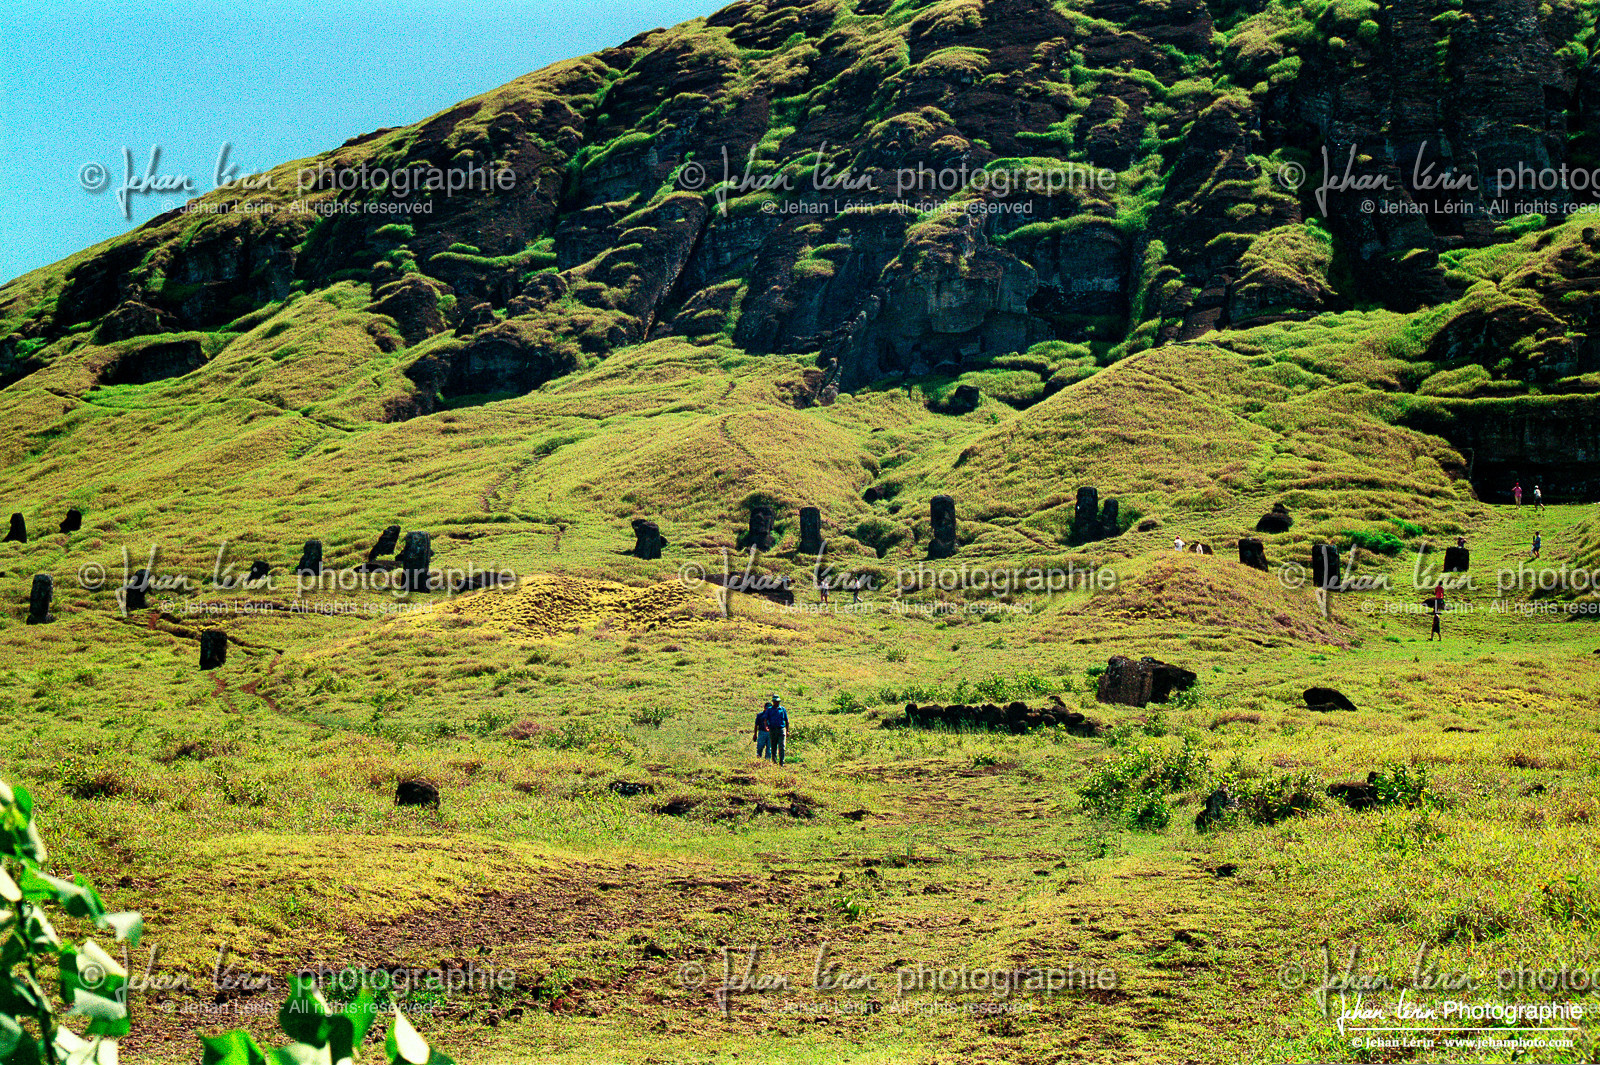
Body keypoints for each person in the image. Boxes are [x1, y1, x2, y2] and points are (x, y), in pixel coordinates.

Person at [765, 695, 789, 765]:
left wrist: (787, 730)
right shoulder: (769, 710)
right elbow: (765, 720)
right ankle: (774, 762)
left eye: (778, 701)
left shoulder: (782, 709)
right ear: (773, 702)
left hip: (781, 729)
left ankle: (782, 762)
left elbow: (787, 720)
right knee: (773, 746)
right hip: (773, 730)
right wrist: (767, 726)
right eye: (775, 701)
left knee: (782, 746)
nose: (777, 703)